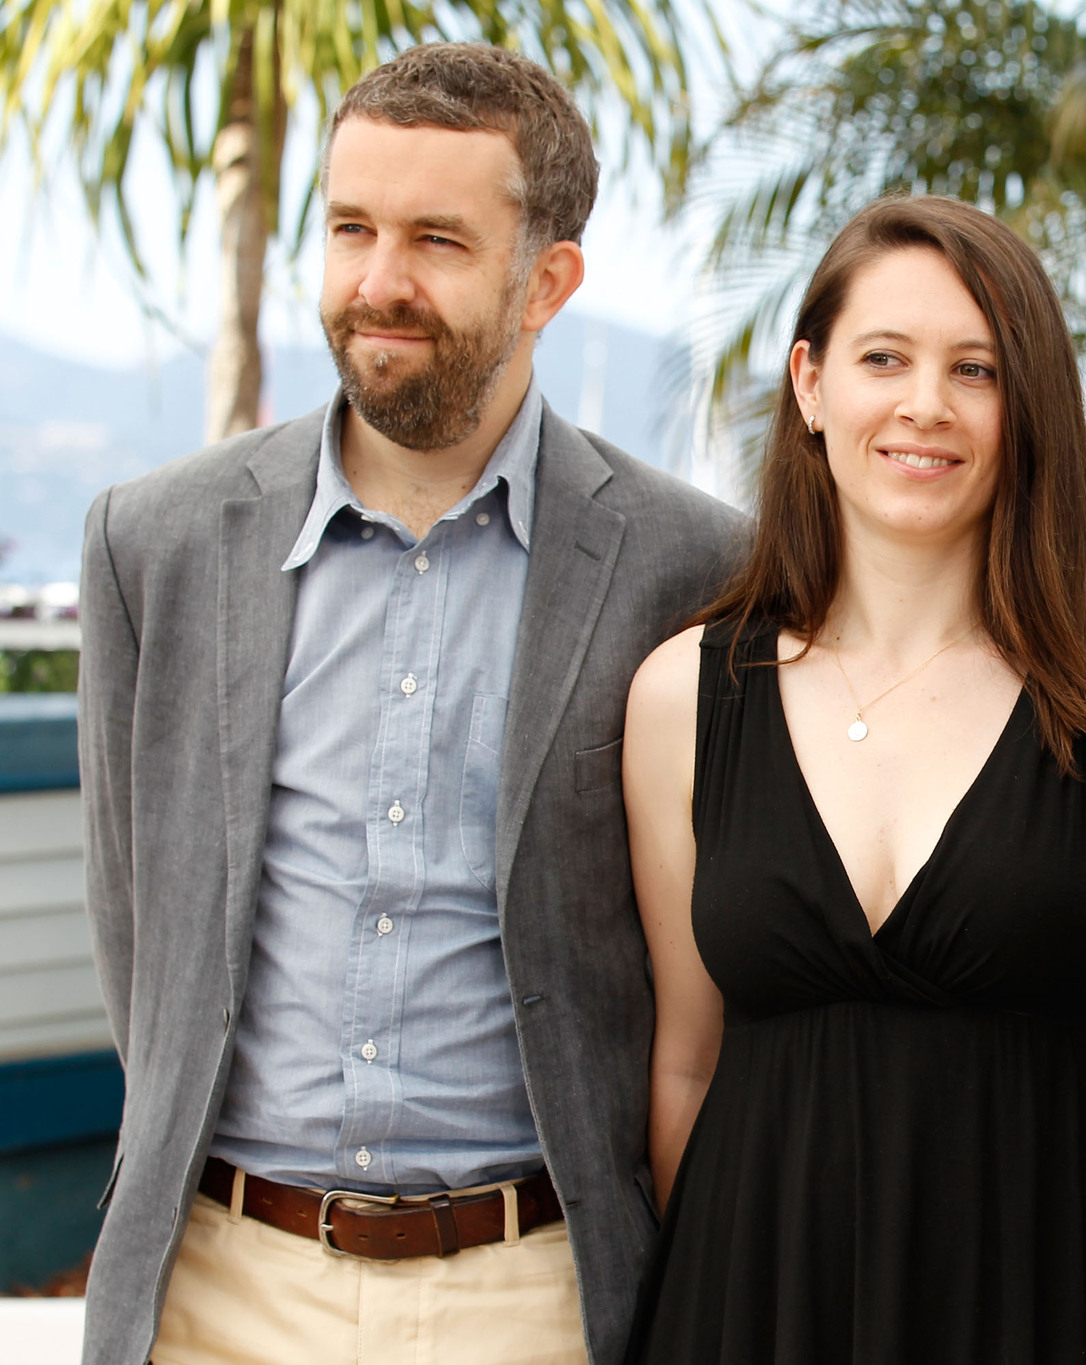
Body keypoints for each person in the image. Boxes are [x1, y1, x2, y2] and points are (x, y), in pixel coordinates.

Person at [75, 42, 744, 1365]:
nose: (377, 283)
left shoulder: (695, 568)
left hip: (536, 1299)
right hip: (214, 1297)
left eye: (437, 238)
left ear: (547, 278)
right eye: (350, 229)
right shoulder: (153, 542)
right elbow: (133, 930)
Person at [620, 194, 1086, 1363]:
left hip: (1049, 1301)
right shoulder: (684, 697)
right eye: (883, 359)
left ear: (1029, 408)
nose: (925, 405)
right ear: (810, 385)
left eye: (976, 368)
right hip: (750, 1308)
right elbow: (684, 1063)